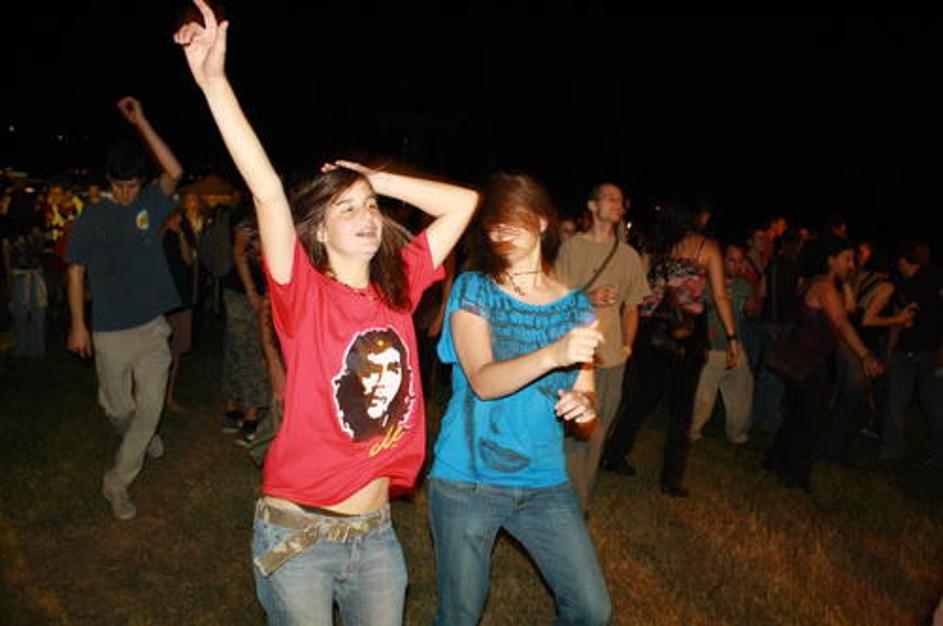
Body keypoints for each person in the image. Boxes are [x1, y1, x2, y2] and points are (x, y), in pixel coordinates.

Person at [175, 3, 478, 624]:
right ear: (317, 231)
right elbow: (265, 189)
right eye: (347, 210)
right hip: (300, 536)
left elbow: (463, 203)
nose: (367, 216)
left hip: (376, 535)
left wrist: (373, 180)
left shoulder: (400, 283)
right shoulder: (303, 293)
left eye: (371, 208)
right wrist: (214, 83)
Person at [428, 173, 610, 625]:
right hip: (468, 478)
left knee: (592, 609)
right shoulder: (474, 289)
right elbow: (483, 381)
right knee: (461, 613)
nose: (501, 231)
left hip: (544, 480)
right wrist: (553, 354)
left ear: (543, 222)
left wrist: (584, 408)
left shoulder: (576, 308)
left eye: (513, 219)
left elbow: (586, 401)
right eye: (494, 223)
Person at [66, 96, 183, 520]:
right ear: (109, 181)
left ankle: (117, 484)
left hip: (151, 328)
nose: (125, 193)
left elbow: (175, 171)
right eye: (118, 185)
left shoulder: (150, 203)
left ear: (141, 182)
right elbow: (75, 270)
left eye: (131, 185)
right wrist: (78, 324)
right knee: (118, 410)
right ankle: (142, 436)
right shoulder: (93, 217)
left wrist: (142, 121)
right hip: (110, 331)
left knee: (149, 408)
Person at [602, 195, 741, 497]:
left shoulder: (659, 244)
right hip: (686, 332)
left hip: (652, 329)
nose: (707, 218)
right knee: (682, 407)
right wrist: (732, 338)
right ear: (695, 216)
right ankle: (670, 478)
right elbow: (720, 296)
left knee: (642, 397)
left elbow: (642, 288)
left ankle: (614, 453)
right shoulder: (707, 247)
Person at [555, 182, 649, 513]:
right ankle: (567, 499)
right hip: (575, 355)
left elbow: (632, 307)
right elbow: (555, 302)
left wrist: (626, 348)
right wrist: (587, 297)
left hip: (611, 359)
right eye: (609, 198)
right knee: (573, 429)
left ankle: (580, 499)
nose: (617, 203)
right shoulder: (572, 248)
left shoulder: (628, 256)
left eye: (620, 200)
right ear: (592, 206)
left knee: (599, 429)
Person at [764, 237, 882, 492]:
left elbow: (848, 311)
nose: (851, 264)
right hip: (808, 361)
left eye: (853, 260)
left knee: (798, 415)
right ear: (831, 260)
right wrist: (865, 354)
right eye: (847, 259)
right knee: (813, 420)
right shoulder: (825, 288)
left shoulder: (818, 282)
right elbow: (842, 323)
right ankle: (796, 476)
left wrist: (846, 283)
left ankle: (775, 463)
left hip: (803, 358)